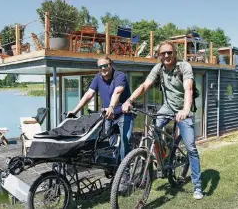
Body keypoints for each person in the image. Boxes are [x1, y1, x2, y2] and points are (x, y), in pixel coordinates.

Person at [121, 41, 204, 200]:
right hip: (167, 107)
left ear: (175, 53)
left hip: (183, 109)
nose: (166, 55)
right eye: (163, 53)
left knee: (191, 147)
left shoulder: (184, 67)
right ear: (159, 55)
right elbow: (145, 85)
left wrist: (186, 109)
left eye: (169, 52)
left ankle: (198, 186)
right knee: (153, 131)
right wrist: (129, 100)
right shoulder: (158, 68)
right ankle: (163, 161)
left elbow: (189, 88)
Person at [67, 55, 134, 162]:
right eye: (100, 67)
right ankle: (117, 157)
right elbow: (89, 94)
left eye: (105, 65)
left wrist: (111, 107)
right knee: (107, 134)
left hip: (123, 114)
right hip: (108, 115)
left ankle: (124, 170)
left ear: (111, 65)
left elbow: (117, 92)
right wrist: (75, 110)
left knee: (125, 141)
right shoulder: (98, 77)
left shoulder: (120, 76)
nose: (103, 68)